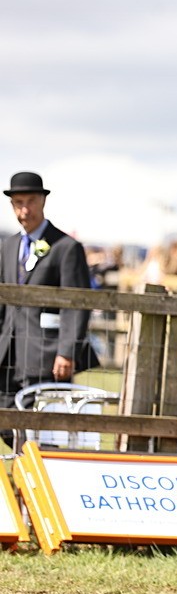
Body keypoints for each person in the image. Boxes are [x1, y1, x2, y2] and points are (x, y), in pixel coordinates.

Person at [0, 172, 99, 449]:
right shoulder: (8, 247)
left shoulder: (66, 248)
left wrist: (67, 350)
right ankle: (24, 467)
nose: (24, 210)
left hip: (47, 352)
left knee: (43, 422)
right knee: (6, 418)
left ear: (42, 201)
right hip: (8, 351)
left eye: (30, 201)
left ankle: (38, 477)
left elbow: (77, 304)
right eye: (18, 203)